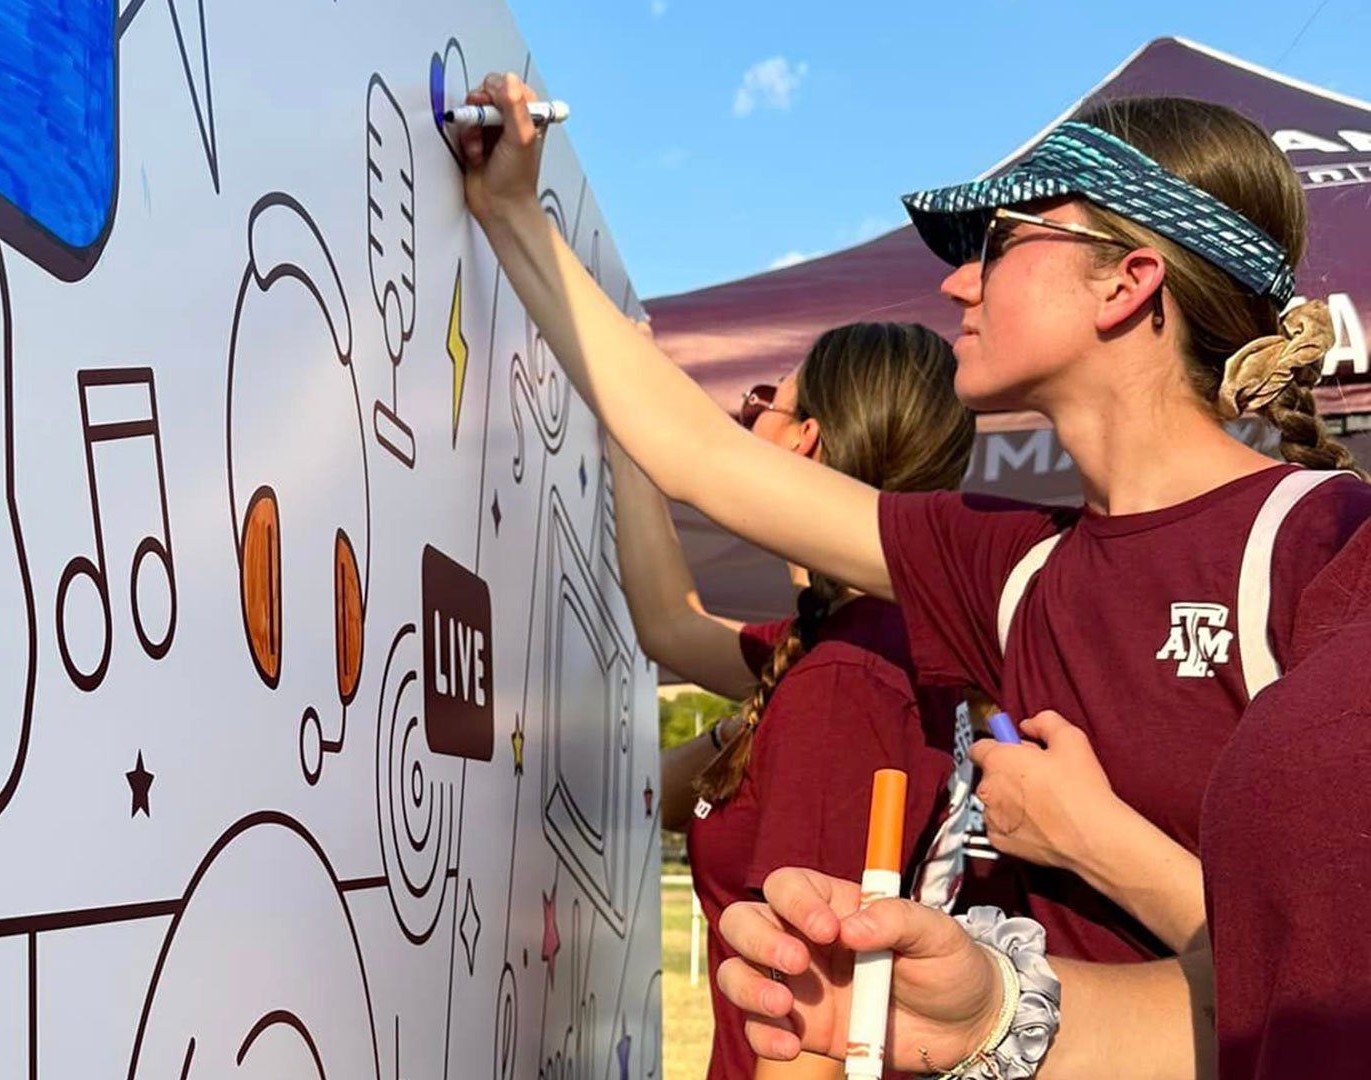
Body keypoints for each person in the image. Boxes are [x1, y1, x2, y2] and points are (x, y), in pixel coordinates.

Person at [460, 79, 1371, 963]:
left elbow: (1331, 976)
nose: (956, 286)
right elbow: (707, 461)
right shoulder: (1013, 564)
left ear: (1126, 284)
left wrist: (1097, 844)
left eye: (1002, 240)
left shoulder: (1327, 546)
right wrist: (512, 214)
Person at [709, 518, 1371, 1080]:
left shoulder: (1310, 530)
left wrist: (1091, 836)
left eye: (770, 404)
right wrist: (994, 1011)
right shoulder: (1348, 566)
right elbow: (1289, 998)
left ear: (815, 437)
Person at [632, 323, 975, 1080]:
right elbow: (672, 624)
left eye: (763, 404)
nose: (748, 423)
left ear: (805, 441)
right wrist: (622, 430)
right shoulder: (864, 641)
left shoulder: (844, 680)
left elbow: (809, 1030)